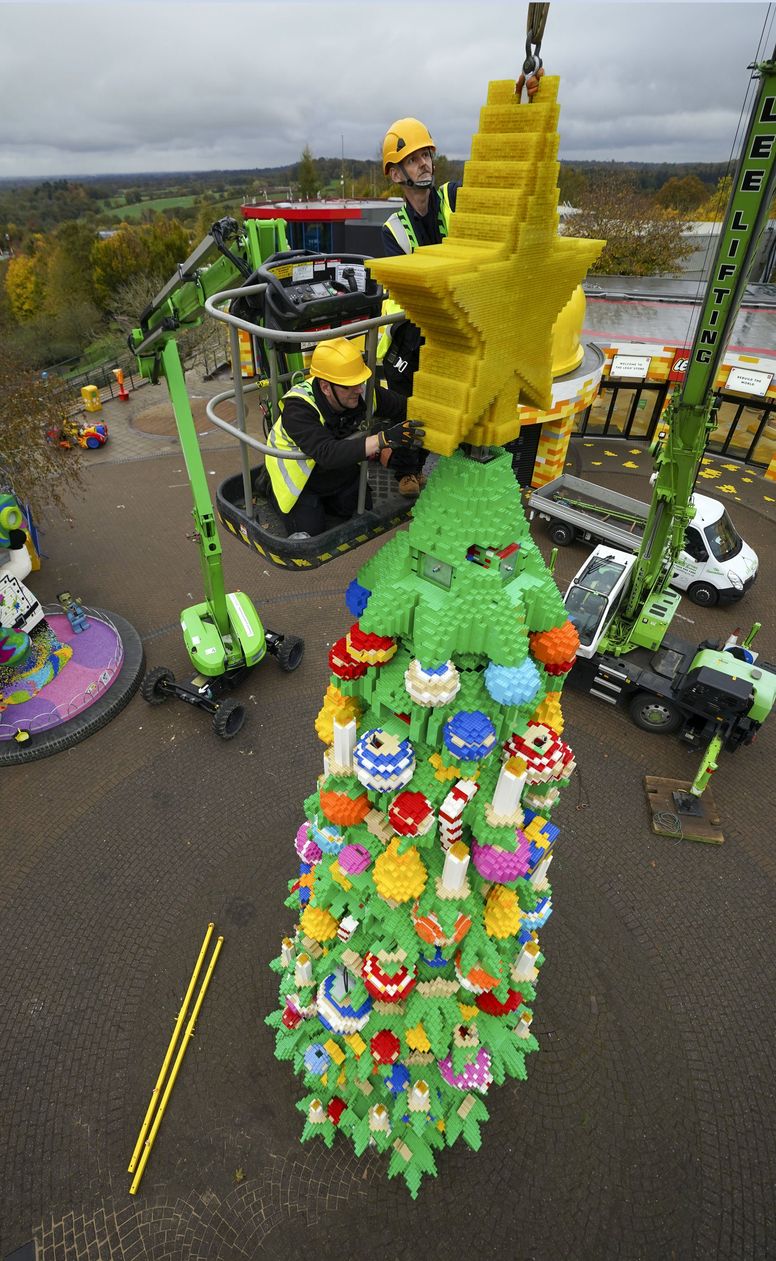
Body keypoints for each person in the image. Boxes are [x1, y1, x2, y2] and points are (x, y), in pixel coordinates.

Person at [263, 337, 424, 538]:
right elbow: (327, 453)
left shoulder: (362, 392)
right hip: (302, 482)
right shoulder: (299, 408)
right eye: (349, 385)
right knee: (310, 531)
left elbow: (405, 408)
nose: (359, 389)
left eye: (359, 382)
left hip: (335, 471)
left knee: (360, 507)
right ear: (325, 387)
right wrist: (384, 439)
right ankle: (269, 488)